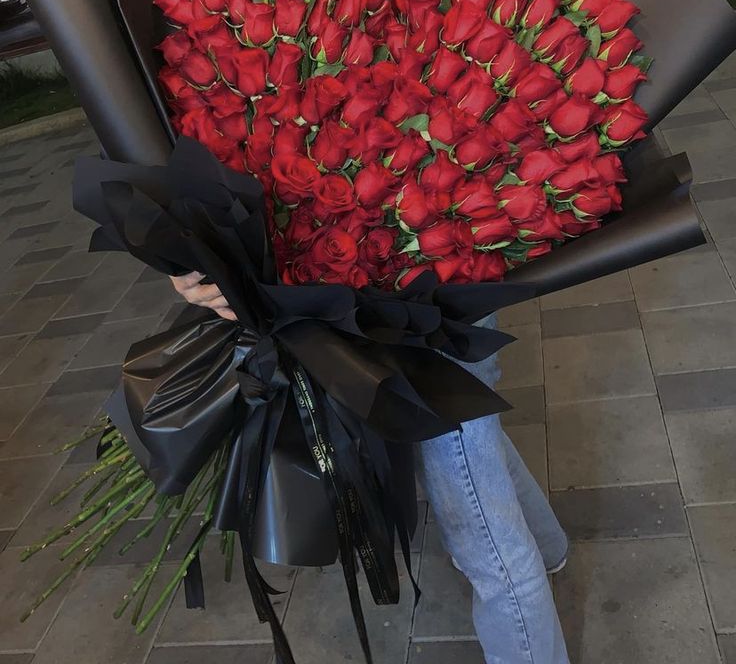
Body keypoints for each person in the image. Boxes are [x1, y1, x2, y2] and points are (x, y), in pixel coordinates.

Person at [170, 270, 571, 664]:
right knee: (471, 442)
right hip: (372, 294)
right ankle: (549, 546)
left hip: (426, 295)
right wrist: (192, 272)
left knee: (484, 538)